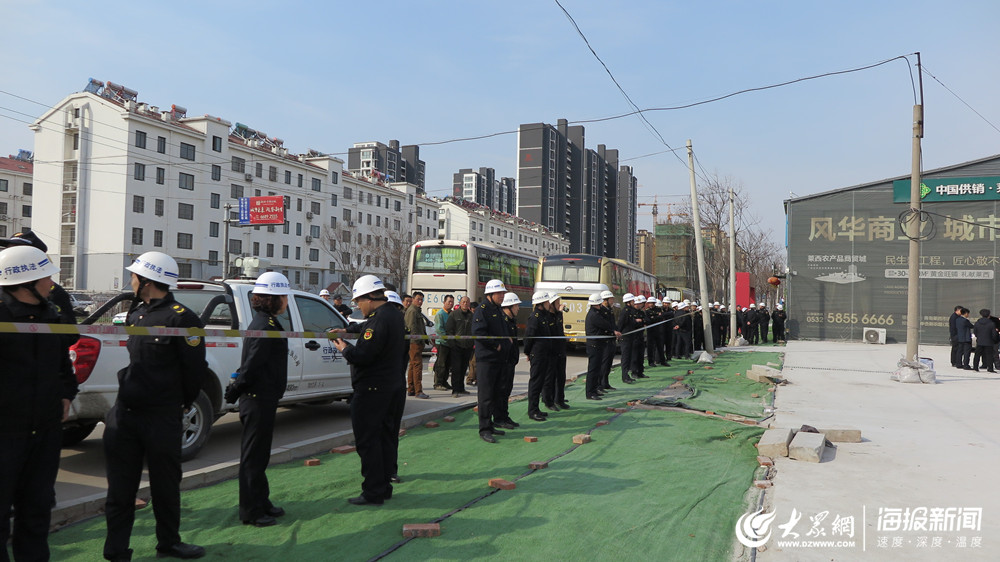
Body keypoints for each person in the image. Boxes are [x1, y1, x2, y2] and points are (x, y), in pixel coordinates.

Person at [104, 251, 207, 561]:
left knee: (165, 485)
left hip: (161, 416)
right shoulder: (137, 313)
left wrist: (175, 404)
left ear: (147, 280)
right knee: (121, 488)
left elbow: (194, 372)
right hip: (126, 415)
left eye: (134, 275)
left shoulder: (182, 318)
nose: (131, 279)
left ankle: (169, 543)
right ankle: (116, 549)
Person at [0, 246, 77, 562]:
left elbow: (63, 365)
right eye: (45, 276)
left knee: (36, 511)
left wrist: (66, 394)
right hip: (5, 434)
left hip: (45, 432)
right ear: (25, 281)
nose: (51, 283)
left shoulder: (51, 315)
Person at [330, 275, 406, 506]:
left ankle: (373, 491)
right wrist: (347, 329)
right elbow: (364, 327)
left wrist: (344, 348)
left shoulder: (378, 321)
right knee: (383, 439)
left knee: (368, 442)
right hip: (390, 386)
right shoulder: (392, 315)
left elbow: (364, 355)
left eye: (358, 302)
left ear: (369, 298)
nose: (357, 307)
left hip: (372, 390)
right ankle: (383, 487)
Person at [225, 272, 291, 528]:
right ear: (272, 299)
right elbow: (253, 364)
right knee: (253, 457)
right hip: (256, 398)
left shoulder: (269, 323)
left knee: (260, 455)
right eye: (283, 297)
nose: (286, 301)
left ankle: (262, 502)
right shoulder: (263, 325)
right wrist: (236, 388)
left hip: (265, 397)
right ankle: (251, 511)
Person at [0, 231, 79, 330]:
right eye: (9, 249)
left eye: (18, 249)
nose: (10, 254)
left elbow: (70, 333)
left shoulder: (54, 293)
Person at [472, 280, 514, 442]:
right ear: (490, 294)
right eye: (500, 294)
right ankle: (484, 429)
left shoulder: (496, 309)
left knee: (496, 393)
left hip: (499, 360)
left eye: (503, 293)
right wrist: (496, 345)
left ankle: (490, 424)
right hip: (487, 360)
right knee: (486, 395)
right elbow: (479, 333)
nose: (502, 296)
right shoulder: (482, 311)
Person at [494, 292, 522, 428]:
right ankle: (499, 418)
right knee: (501, 390)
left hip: (510, 361)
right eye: (516, 305)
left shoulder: (511, 321)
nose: (518, 308)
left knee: (507, 390)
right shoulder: (502, 321)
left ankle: (504, 416)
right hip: (503, 362)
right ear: (509, 306)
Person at [524, 291, 552, 419]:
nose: (549, 304)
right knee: (535, 383)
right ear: (542, 303)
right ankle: (532, 411)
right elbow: (529, 336)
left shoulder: (543, 316)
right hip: (538, 354)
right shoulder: (535, 317)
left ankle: (536, 408)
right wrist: (527, 352)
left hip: (544, 354)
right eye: (547, 302)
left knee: (540, 382)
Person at [585, 293, 614, 400]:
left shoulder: (597, 312)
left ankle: (595, 389)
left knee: (597, 369)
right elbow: (606, 324)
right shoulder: (594, 315)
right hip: (594, 345)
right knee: (593, 369)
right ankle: (590, 392)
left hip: (598, 344)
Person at [543, 293, 570, 410]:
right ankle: (549, 400)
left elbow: (559, 330)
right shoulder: (547, 316)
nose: (560, 304)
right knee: (550, 377)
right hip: (551, 351)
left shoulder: (558, 315)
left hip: (560, 350)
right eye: (557, 302)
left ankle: (559, 399)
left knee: (561, 376)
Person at [445, 296, 473, 397]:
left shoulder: (472, 316)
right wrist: (452, 344)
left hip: (467, 347)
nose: (465, 304)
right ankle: (455, 390)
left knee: (463, 368)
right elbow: (449, 330)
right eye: (463, 302)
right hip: (456, 346)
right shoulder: (454, 314)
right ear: (460, 303)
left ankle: (461, 388)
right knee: (456, 369)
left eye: (467, 302)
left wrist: (472, 344)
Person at [404, 291, 428, 399]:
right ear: (413, 299)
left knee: (413, 366)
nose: (420, 301)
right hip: (414, 343)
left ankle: (411, 389)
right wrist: (416, 341)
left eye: (422, 299)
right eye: (418, 299)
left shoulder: (417, 311)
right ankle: (418, 391)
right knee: (417, 366)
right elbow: (411, 328)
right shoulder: (412, 311)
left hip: (417, 342)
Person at [598, 291, 620, 392]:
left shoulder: (610, 310)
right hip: (605, 340)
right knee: (604, 363)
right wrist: (612, 331)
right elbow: (604, 325)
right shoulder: (601, 311)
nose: (613, 301)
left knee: (608, 364)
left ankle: (606, 383)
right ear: (605, 300)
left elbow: (612, 323)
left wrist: (616, 331)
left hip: (611, 339)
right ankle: (600, 384)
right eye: (611, 299)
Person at [432, 295, 454, 391]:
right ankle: (438, 383)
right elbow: (439, 329)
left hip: (449, 343)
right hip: (442, 342)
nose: (450, 303)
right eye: (449, 301)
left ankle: (444, 381)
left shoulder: (451, 314)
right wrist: (446, 338)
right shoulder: (440, 314)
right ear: (444, 302)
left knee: (447, 364)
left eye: (452, 302)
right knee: (441, 364)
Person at [617, 293, 639, 384]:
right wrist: (619, 334)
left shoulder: (630, 310)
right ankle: (624, 376)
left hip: (630, 337)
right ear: (628, 302)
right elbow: (621, 324)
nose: (634, 302)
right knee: (625, 358)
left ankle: (627, 375)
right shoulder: (625, 311)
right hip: (625, 337)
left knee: (629, 357)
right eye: (632, 301)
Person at [972, 309, 998, 373]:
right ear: (989, 315)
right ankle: (990, 368)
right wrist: (995, 340)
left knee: (977, 355)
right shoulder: (991, 324)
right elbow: (994, 334)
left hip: (980, 341)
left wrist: (979, 337)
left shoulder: (977, 323)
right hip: (989, 341)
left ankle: (975, 367)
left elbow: (975, 332)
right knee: (989, 355)